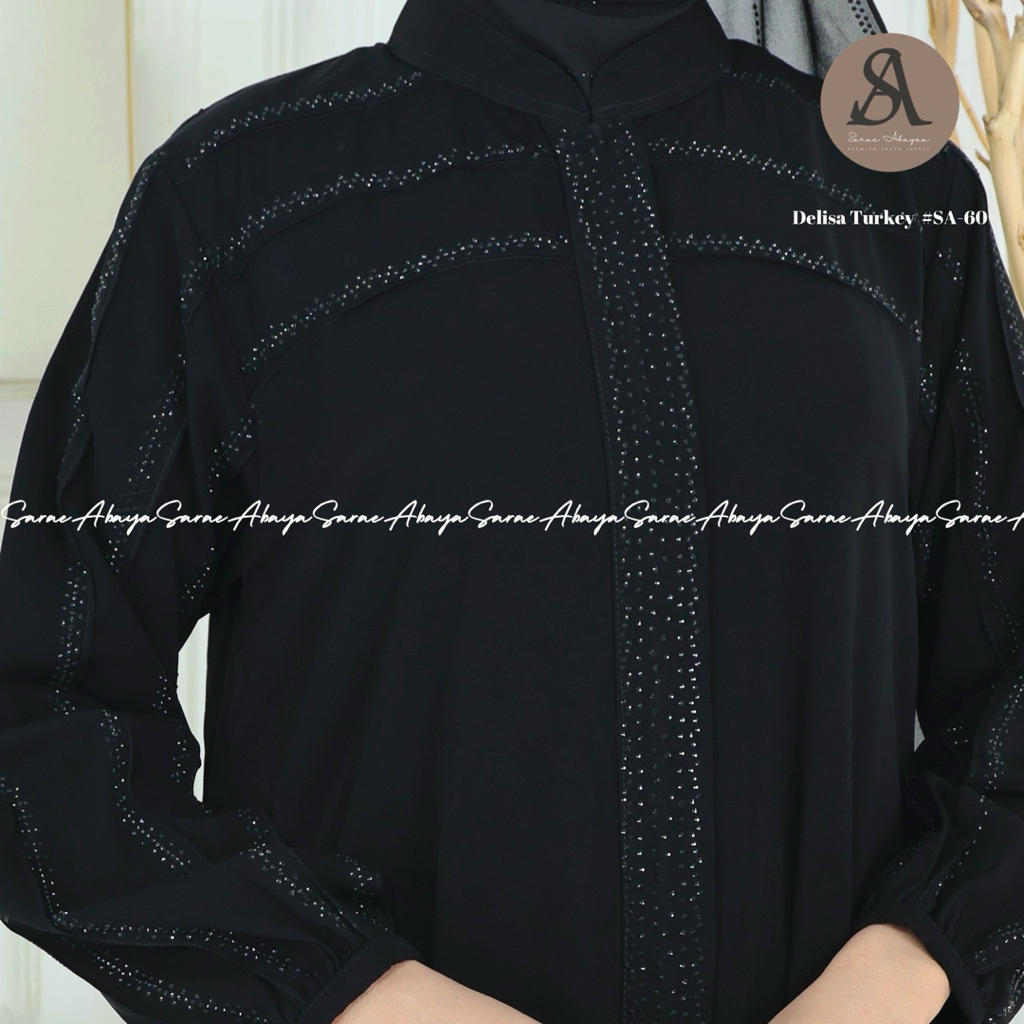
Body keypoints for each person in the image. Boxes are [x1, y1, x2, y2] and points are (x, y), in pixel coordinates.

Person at [1, 1, 1023, 1023]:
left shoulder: (898, 202)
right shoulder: (235, 196)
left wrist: (897, 971)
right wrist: (353, 992)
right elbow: (39, 702)